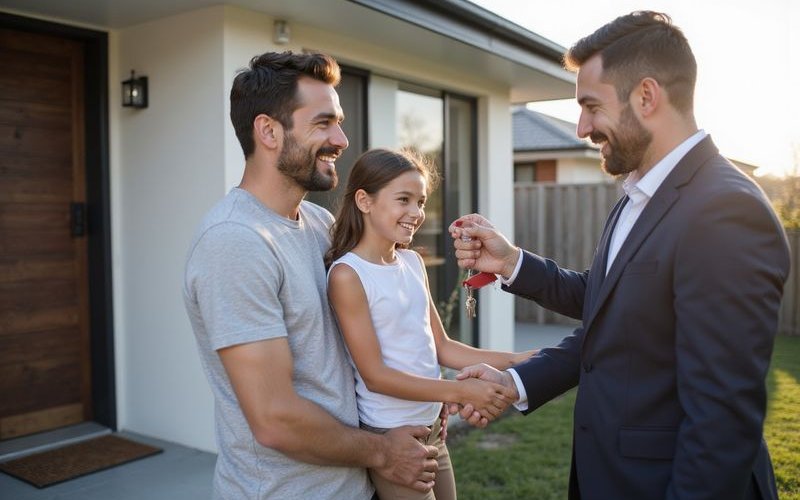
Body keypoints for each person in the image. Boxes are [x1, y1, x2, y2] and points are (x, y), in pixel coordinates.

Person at [449, 11, 791, 500]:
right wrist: (510, 264)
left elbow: (721, 421)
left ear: (646, 96)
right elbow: (611, 312)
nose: (582, 127)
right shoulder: (638, 196)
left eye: (591, 106)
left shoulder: (725, 212)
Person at [183, 51, 439, 499]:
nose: (341, 138)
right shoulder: (235, 242)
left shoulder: (320, 226)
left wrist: (416, 411)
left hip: (357, 479)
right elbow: (275, 418)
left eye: (338, 122)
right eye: (323, 123)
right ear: (268, 131)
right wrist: (384, 451)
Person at [325, 148, 532, 500]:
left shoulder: (412, 262)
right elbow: (375, 375)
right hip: (393, 434)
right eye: (403, 199)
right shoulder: (348, 275)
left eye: (420, 202)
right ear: (364, 200)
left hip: (433, 426)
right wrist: (459, 392)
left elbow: (443, 347)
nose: (416, 213)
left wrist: (517, 360)